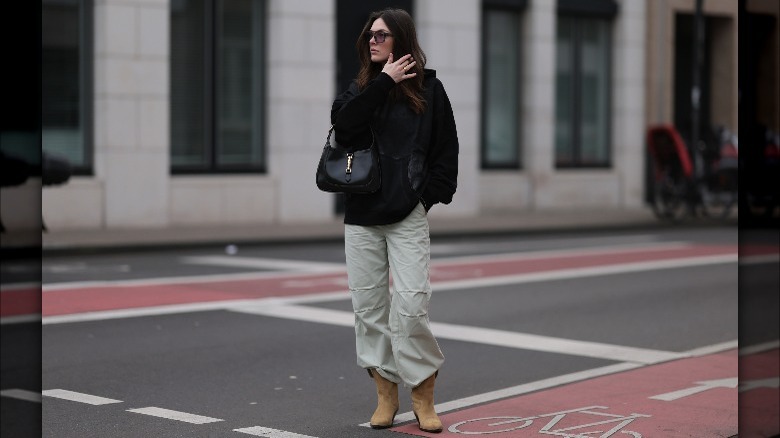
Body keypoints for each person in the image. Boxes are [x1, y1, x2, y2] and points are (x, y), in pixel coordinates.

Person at [330, 7, 459, 434]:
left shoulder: (431, 89)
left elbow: (446, 151)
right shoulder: (362, 89)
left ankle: (423, 393)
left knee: (409, 308)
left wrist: (426, 199)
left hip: (406, 215)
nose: (372, 40)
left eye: (382, 35)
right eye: (370, 34)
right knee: (368, 310)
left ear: (401, 40)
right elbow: (343, 127)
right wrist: (383, 83)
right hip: (362, 216)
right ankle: (386, 395)